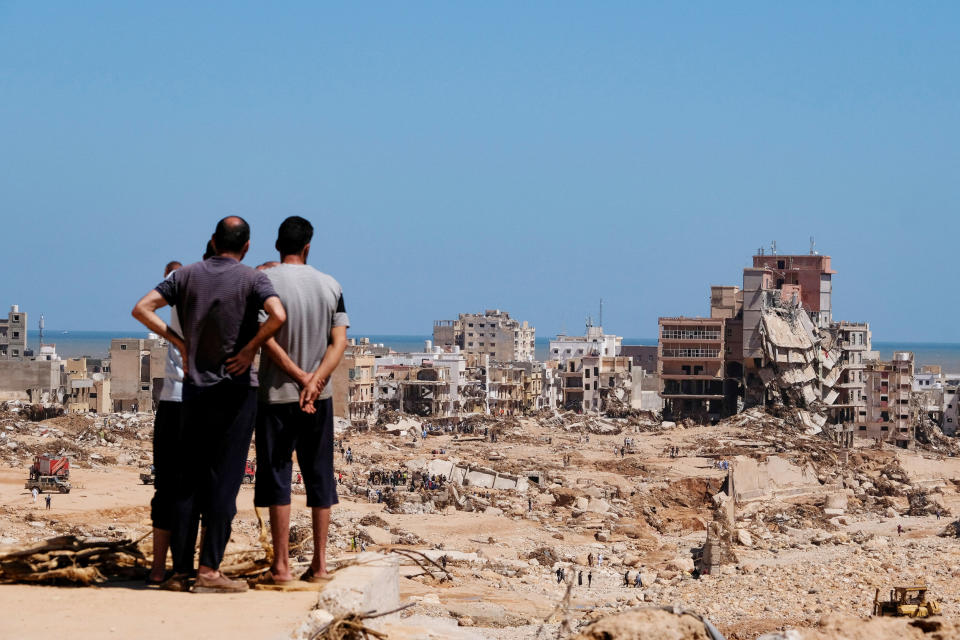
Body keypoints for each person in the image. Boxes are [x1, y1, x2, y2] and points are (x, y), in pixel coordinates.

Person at [132, 216, 286, 593]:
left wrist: (181, 344)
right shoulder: (253, 279)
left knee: (186, 481)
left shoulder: (185, 276)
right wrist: (249, 349)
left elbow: (142, 308)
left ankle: (180, 569)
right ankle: (209, 570)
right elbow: (279, 316)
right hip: (236, 393)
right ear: (247, 246)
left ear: (214, 241)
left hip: (194, 391)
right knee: (224, 482)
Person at [252, 217, 349, 585]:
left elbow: (264, 337)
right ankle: (320, 566)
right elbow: (338, 342)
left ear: (278, 245)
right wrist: (316, 379)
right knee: (320, 475)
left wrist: (297, 376)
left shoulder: (265, 282)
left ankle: (281, 567)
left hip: (276, 395)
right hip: (318, 398)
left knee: (278, 474)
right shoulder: (330, 284)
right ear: (308, 246)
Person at [148, 259, 185, 586]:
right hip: (198, 400)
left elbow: (143, 308)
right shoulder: (209, 287)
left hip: (173, 401)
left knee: (166, 489)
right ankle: (185, 568)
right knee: (192, 492)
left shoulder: (178, 285)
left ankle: (159, 568)